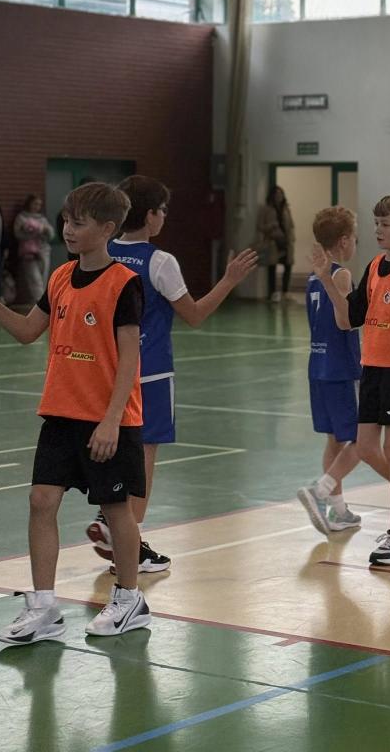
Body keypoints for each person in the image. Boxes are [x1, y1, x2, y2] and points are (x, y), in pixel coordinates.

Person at [0, 182, 151, 642]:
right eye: (66, 221)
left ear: (107, 229)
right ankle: (43, 608)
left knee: (116, 510)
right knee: (41, 501)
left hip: (108, 419)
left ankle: (129, 598)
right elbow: (26, 331)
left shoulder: (124, 283)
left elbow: (130, 358)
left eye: (79, 222)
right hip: (60, 413)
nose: (68, 230)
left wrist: (112, 419)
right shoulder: (58, 277)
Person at [86, 175, 258, 571]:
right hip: (150, 374)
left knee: (115, 449)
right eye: (162, 210)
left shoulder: (103, 253)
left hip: (106, 372)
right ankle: (127, 537)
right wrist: (229, 280)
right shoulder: (159, 262)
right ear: (149, 216)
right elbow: (194, 314)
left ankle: (113, 525)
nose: (165, 217)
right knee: (144, 457)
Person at [313, 192, 390, 565]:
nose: (378, 230)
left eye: (386, 224)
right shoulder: (374, 266)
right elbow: (347, 320)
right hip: (372, 368)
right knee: (366, 447)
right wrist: (326, 280)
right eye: (376, 223)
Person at [297, 206, 363, 534]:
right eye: (355, 238)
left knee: (334, 440)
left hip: (318, 365)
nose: (356, 244)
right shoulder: (340, 275)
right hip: (341, 367)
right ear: (343, 241)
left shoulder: (312, 277)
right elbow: (344, 321)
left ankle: (338, 511)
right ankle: (320, 490)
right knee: (362, 440)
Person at [14, 195, 56, 304]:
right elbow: (17, 234)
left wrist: (45, 230)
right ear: (29, 203)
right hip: (29, 252)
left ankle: (39, 301)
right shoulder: (22, 217)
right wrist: (32, 232)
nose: (37, 206)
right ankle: (41, 302)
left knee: (43, 277)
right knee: (34, 278)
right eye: (35, 204)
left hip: (43, 250)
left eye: (39, 204)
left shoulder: (42, 218)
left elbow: (51, 234)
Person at [256, 185, 295, 302]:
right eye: (277, 194)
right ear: (272, 196)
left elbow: (291, 225)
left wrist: (292, 238)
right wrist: (271, 226)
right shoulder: (266, 209)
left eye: (281, 194)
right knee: (272, 267)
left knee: (288, 265)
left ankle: (285, 292)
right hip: (273, 241)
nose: (279, 196)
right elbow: (260, 226)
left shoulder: (286, 209)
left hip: (286, 242)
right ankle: (272, 293)